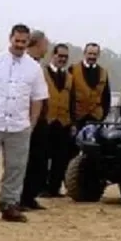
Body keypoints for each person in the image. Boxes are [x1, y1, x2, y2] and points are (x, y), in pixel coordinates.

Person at [0, 24, 48, 223]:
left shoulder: (34, 68)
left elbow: (37, 98)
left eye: (24, 42)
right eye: (17, 41)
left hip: (19, 126)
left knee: (16, 168)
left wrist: (31, 124)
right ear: (10, 39)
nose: (20, 45)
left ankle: (9, 205)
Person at [40, 43, 76, 198]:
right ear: (52, 55)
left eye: (65, 57)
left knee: (60, 158)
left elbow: (73, 101)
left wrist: (73, 122)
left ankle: (54, 188)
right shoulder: (42, 73)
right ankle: (40, 187)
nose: (62, 59)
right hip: (46, 121)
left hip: (64, 123)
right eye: (60, 56)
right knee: (42, 157)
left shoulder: (69, 77)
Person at [20, 30, 50, 211]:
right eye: (46, 44)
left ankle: (30, 196)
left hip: (41, 119)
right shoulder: (25, 64)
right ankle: (20, 197)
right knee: (26, 160)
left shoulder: (38, 66)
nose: (47, 47)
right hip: (27, 119)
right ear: (38, 44)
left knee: (39, 160)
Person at [70, 43, 111, 129]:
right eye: (90, 54)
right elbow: (68, 95)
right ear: (84, 53)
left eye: (95, 54)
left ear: (98, 55)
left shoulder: (104, 72)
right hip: (78, 119)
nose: (92, 57)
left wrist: (103, 116)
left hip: (96, 118)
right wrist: (72, 119)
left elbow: (106, 96)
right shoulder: (73, 69)